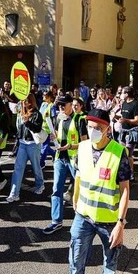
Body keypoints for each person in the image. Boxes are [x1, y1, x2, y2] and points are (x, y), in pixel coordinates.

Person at [61, 108, 131, 274]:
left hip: (109, 220)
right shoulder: (81, 148)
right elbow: (79, 175)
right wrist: (74, 197)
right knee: (75, 264)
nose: (92, 132)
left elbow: (124, 191)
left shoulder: (119, 153)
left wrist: (120, 223)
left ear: (107, 129)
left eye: (98, 128)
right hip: (83, 217)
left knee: (110, 258)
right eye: (90, 127)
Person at [43, 94, 87, 235]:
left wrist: (70, 146)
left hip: (75, 160)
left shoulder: (79, 120)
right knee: (56, 189)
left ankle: (83, 220)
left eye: (64, 104)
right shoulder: (58, 119)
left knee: (81, 190)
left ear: (70, 105)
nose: (61, 107)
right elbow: (56, 135)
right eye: (59, 105)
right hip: (60, 158)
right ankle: (56, 221)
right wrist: (53, 137)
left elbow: (85, 144)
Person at [6, 93, 45, 203]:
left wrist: (27, 123)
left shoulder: (37, 114)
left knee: (36, 167)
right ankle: (14, 194)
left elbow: (37, 129)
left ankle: (40, 185)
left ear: (32, 101)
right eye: (24, 101)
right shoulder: (21, 113)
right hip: (23, 144)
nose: (26, 103)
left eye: (28, 101)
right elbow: (19, 129)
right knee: (18, 169)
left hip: (33, 144)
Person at [117, 86, 138, 172]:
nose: (121, 95)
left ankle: (131, 173)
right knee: (122, 153)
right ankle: (123, 171)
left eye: (122, 93)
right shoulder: (124, 103)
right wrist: (115, 117)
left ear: (127, 94)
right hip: (123, 131)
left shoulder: (135, 104)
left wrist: (125, 120)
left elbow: (137, 121)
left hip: (131, 132)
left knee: (128, 154)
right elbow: (123, 117)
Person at [39, 90, 57, 168]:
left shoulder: (52, 106)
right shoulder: (43, 104)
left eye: (45, 95)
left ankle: (42, 162)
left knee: (45, 146)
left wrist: (54, 130)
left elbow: (54, 119)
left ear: (49, 97)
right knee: (43, 146)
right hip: (41, 129)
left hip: (48, 130)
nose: (43, 96)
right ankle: (54, 153)